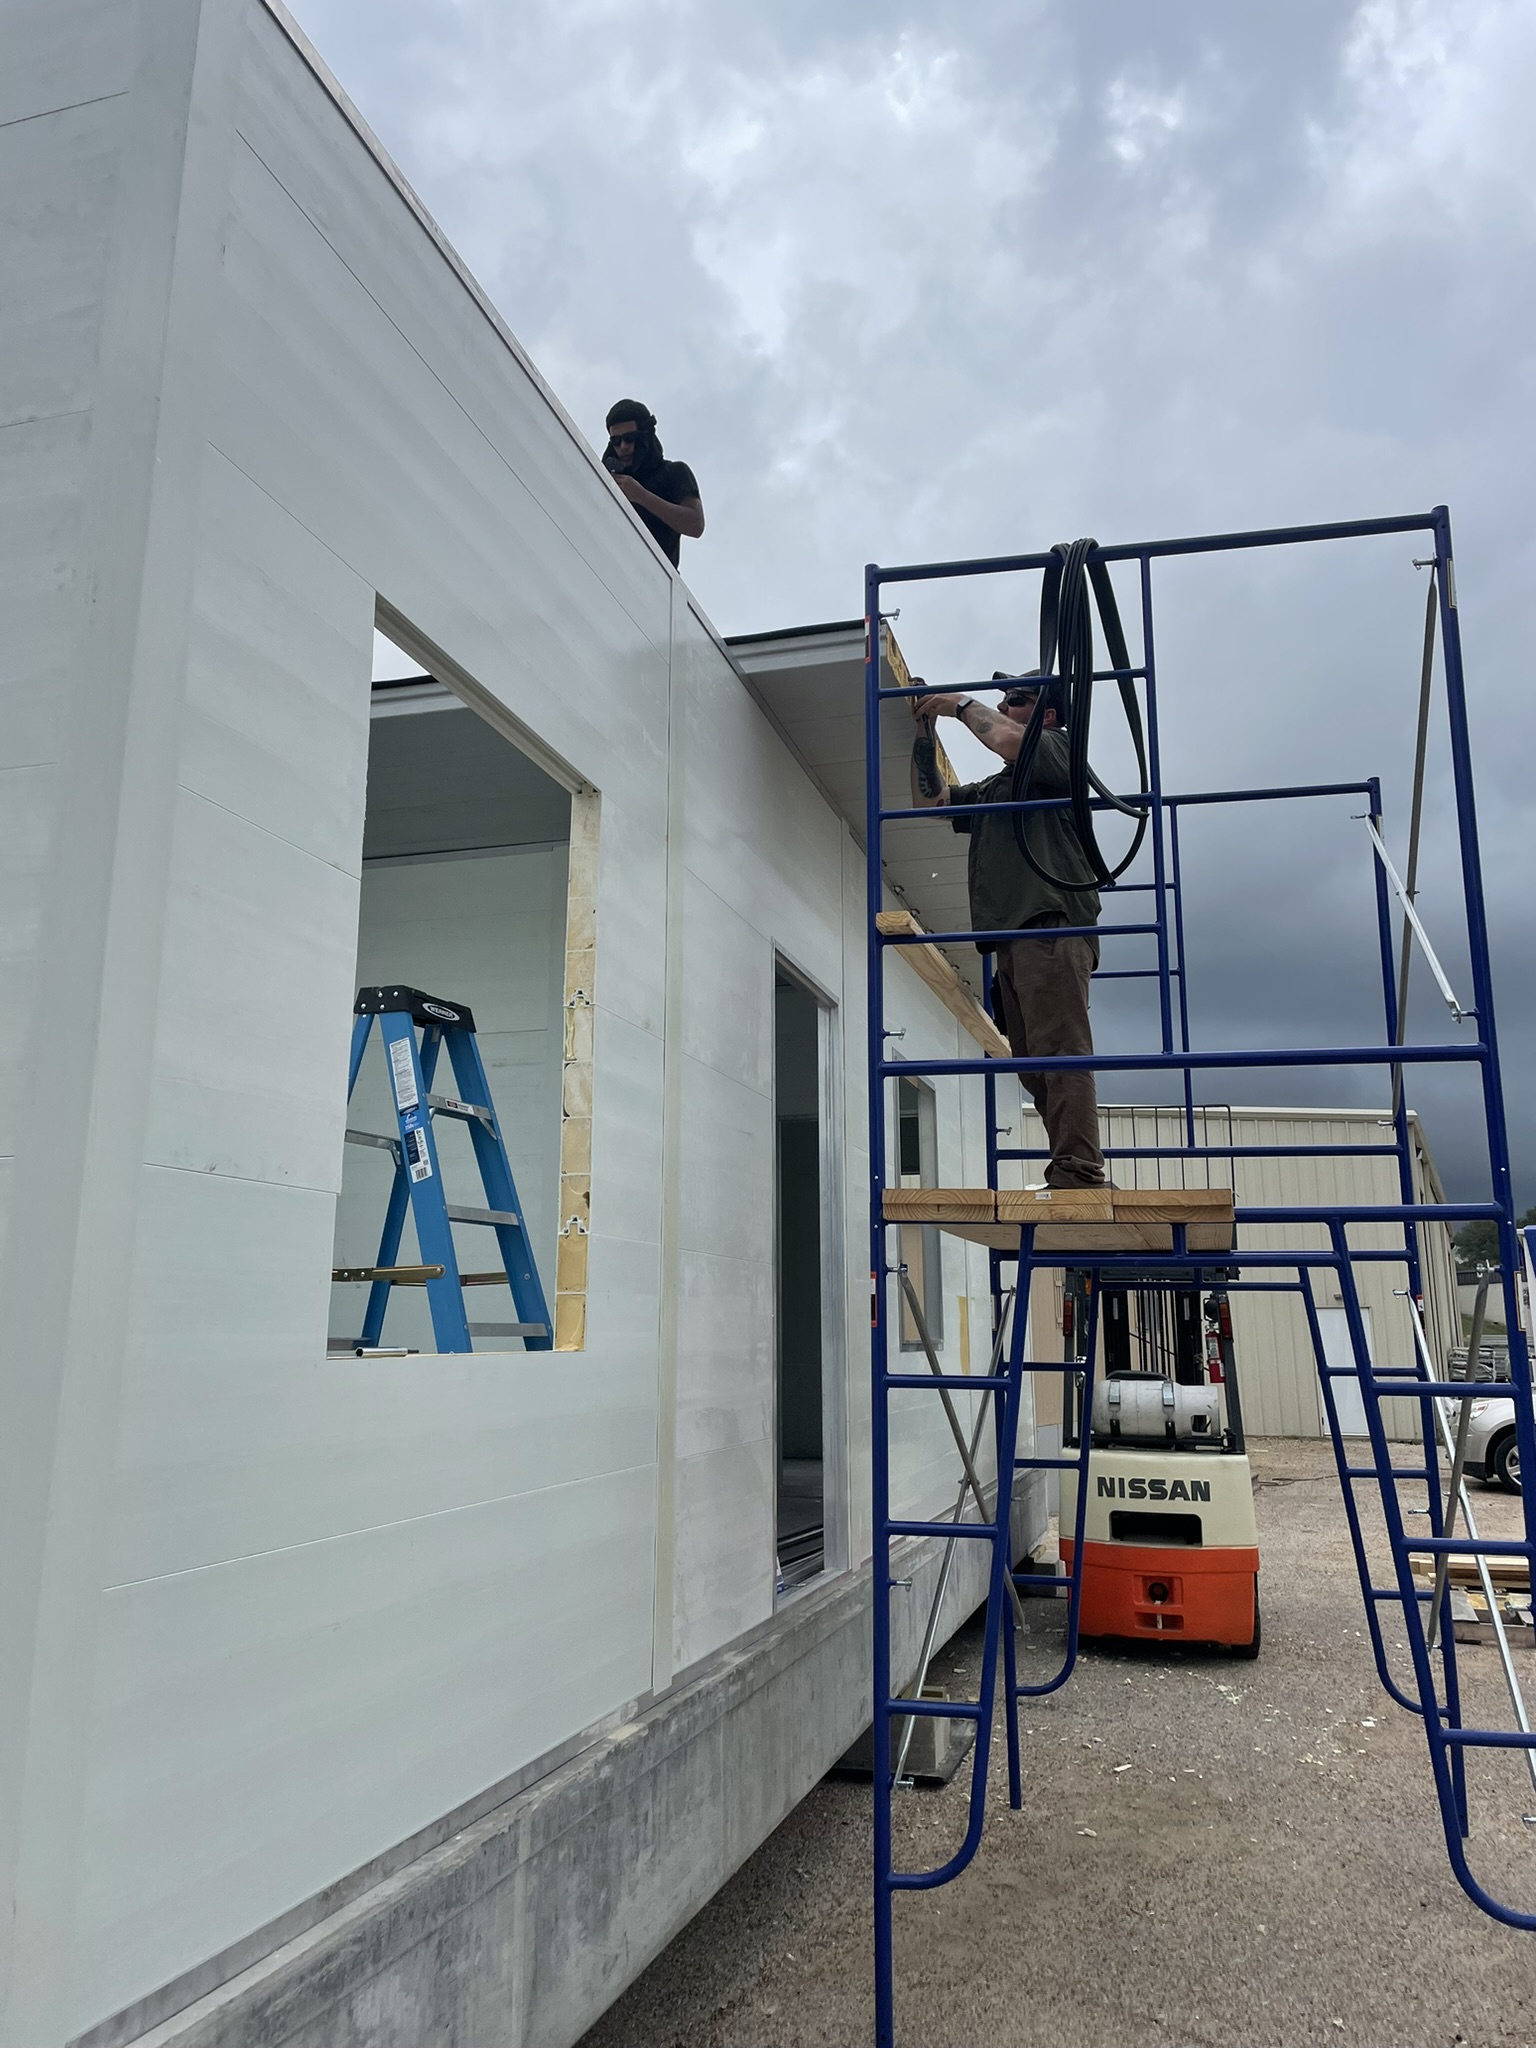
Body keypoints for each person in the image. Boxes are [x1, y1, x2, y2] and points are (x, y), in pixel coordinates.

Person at [910, 675, 1106, 1188]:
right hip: (1015, 935)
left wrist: (958, 705)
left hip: (1050, 925)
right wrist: (925, 730)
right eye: (1001, 699)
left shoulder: (1060, 750)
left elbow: (1007, 738)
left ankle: (1079, 1171)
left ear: (1045, 716)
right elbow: (931, 802)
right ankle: (1069, 1166)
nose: (1002, 705)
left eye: (1015, 700)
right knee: (1034, 1063)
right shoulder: (999, 787)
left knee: (1060, 1051)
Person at [602, 401, 704, 567]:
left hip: (656, 579)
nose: (623, 447)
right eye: (616, 441)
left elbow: (695, 524)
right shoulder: (608, 477)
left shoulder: (674, 472)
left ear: (644, 436)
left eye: (629, 439)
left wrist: (641, 496)